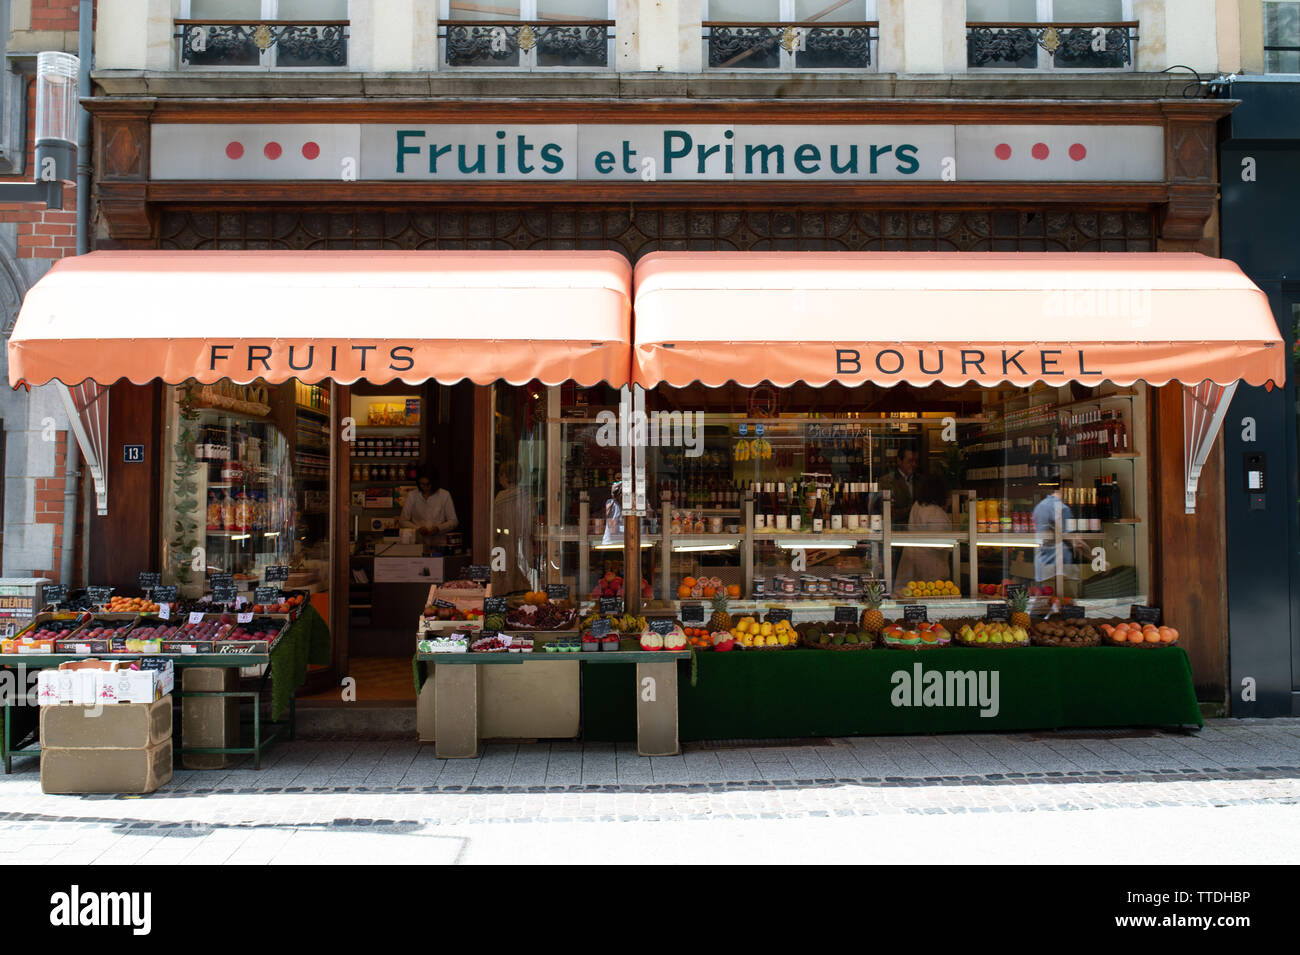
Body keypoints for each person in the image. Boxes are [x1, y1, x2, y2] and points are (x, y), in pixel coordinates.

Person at [896, 473, 952, 589]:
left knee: (909, 597)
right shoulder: (936, 513)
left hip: (911, 561)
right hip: (931, 566)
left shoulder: (917, 505)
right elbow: (941, 543)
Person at [1032, 482, 1090, 583]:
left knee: (1047, 597)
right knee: (1065, 597)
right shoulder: (1063, 509)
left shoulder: (1040, 506)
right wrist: (1097, 559)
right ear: (1066, 490)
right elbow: (1076, 542)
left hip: (1041, 566)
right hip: (1060, 567)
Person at [399, 469, 458, 550]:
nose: (425, 487)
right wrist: (418, 528)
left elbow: (454, 521)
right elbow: (403, 521)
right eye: (422, 484)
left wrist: (438, 528)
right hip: (417, 544)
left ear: (434, 482)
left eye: (428, 484)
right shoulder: (412, 495)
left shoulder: (444, 495)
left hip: (439, 544)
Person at [880, 447, 919, 524]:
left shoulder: (921, 480)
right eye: (910, 461)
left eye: (916, 461)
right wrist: (913, 510)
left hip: (919, 531)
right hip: (896, 530)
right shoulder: (887, 481)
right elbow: (887, 512)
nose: (914, 464)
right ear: (899, 461)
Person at [602, 479, 623, 546]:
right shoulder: (610, 502)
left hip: (621, 537)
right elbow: (607, 514)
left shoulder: (624, 503)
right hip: (610, 539)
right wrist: (614, 499)